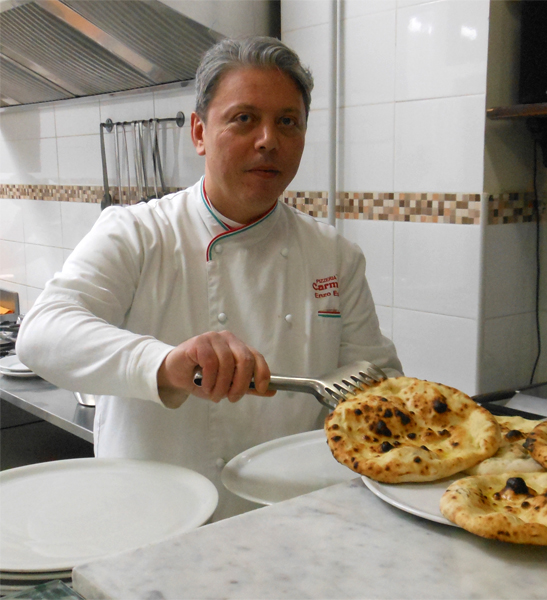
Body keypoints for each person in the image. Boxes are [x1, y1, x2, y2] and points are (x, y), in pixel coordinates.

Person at [17, 37, 402, 520]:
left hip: (289, 521)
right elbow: (42, 331)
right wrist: (164, 364)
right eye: (244, 119)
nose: (268, 140)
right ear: (199, 132)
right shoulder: (138, 232)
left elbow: (374, 378)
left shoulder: (334, 255)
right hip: (153, 523)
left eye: (288, 122)